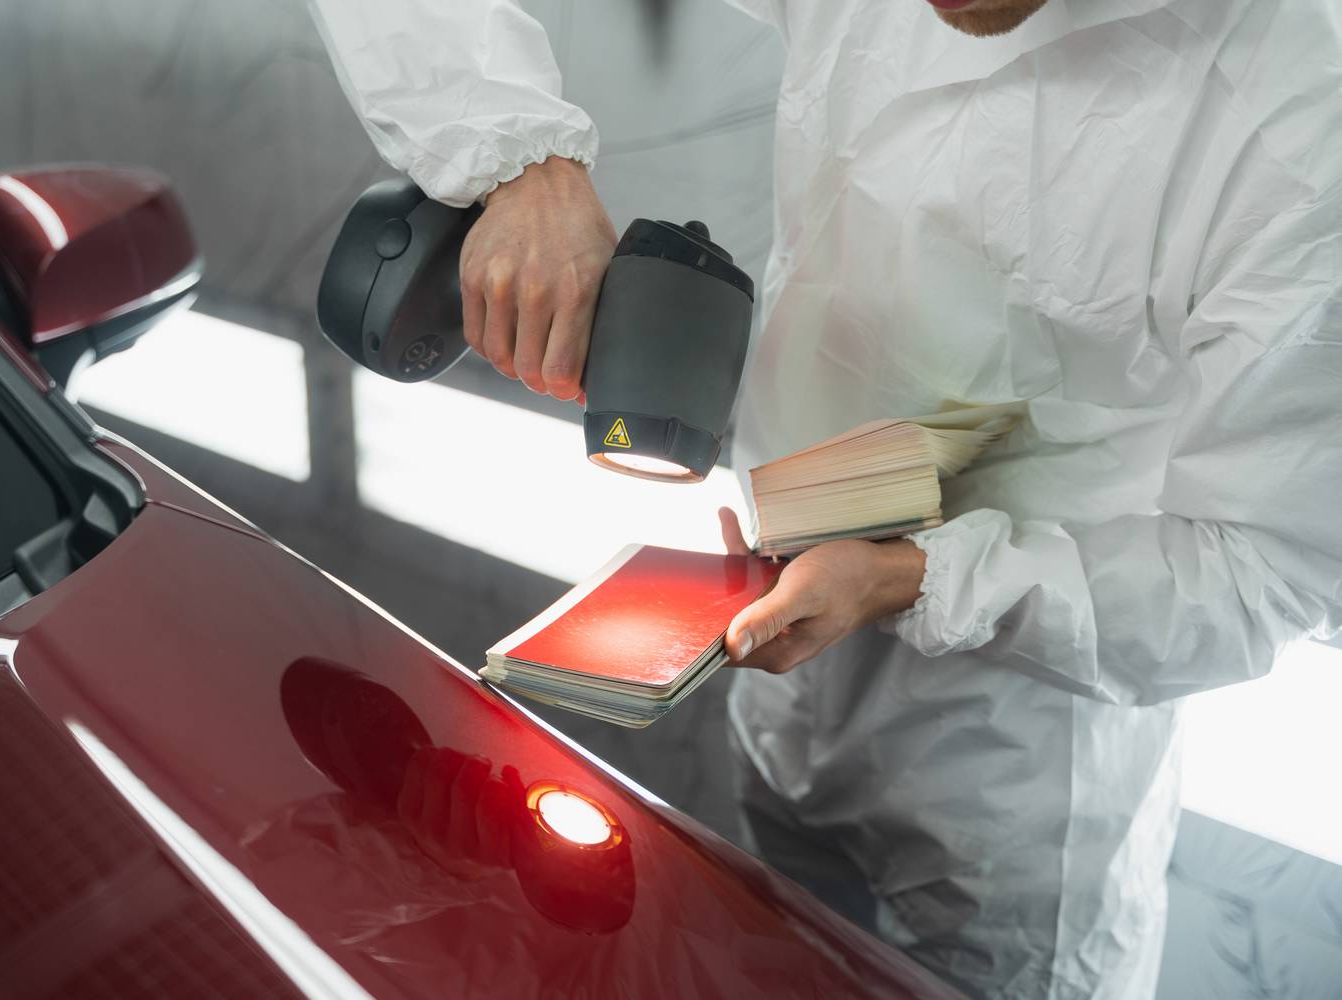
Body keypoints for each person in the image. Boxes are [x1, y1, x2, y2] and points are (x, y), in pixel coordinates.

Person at [308, 0, 1342, 995]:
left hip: (1022, 775)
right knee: (770, 954)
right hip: (788, 662)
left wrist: (914, 579)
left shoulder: (1293, 122)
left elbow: (1265, 570)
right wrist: (514, 161)